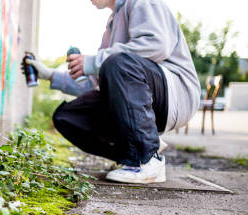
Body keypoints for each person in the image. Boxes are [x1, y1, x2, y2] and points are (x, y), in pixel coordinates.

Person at [24, 0, 200, 183]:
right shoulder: (112, 24)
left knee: (117, 63)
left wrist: (94, 62)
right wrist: (50, 75)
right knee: (67, 117)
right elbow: (95, 83)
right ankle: (142, 145)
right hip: (143, 96)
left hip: (175, 94)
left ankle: (146, 159)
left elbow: (157, 45)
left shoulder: (142, 2)